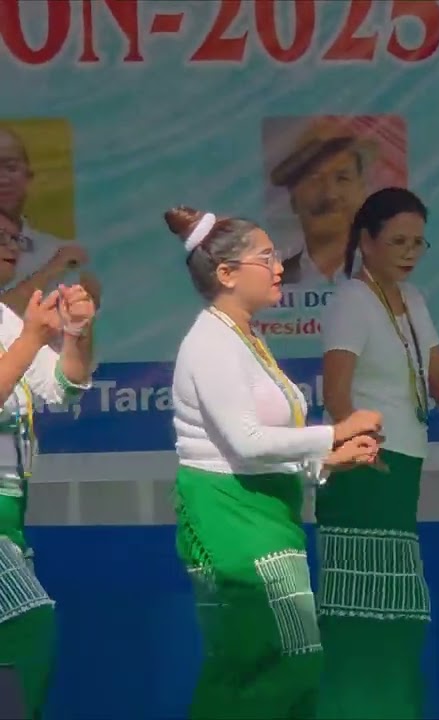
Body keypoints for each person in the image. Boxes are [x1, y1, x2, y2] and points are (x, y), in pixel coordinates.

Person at [166, 205, 385, 718]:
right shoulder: (210, 342)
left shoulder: (245, 338)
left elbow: (270, 443)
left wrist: (328, 460)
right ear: (226, 274)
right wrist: (337, 430)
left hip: (264, 518)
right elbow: (245, 444)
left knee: (274, 664)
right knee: (273, 662)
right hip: (228, 520)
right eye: (266, 257)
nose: (280, 265)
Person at [317, 187, 439, 719]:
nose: (409, 251)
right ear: (366, 242)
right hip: (366, 466)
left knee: (398, 609)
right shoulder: (352, 299)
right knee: (363, 612)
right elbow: (335, 390)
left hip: (402, 459)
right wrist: (353, 444)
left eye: (419, 242)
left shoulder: (411, 298)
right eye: (397, 240)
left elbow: (436, 367)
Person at [0, 222, 95, 720]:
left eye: (13, 239)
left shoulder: (4, 319)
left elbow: (63, 389)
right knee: (27, 627)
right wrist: (33, 336)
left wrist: (77, 333)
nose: (8, 250)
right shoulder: (19, 329)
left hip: (12, 507)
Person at [0, 126, 98, 313]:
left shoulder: (63, 252)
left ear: (29, 177)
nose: (2, 179)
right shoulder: (61, 260)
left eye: (11, 168)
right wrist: (52, 269)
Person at [268, 118, 373, 285]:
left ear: (362, 191)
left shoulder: (385, 274)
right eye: (314, 180)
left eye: (342, 178)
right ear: (293, 198)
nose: (330, 194)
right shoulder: (272, 282)